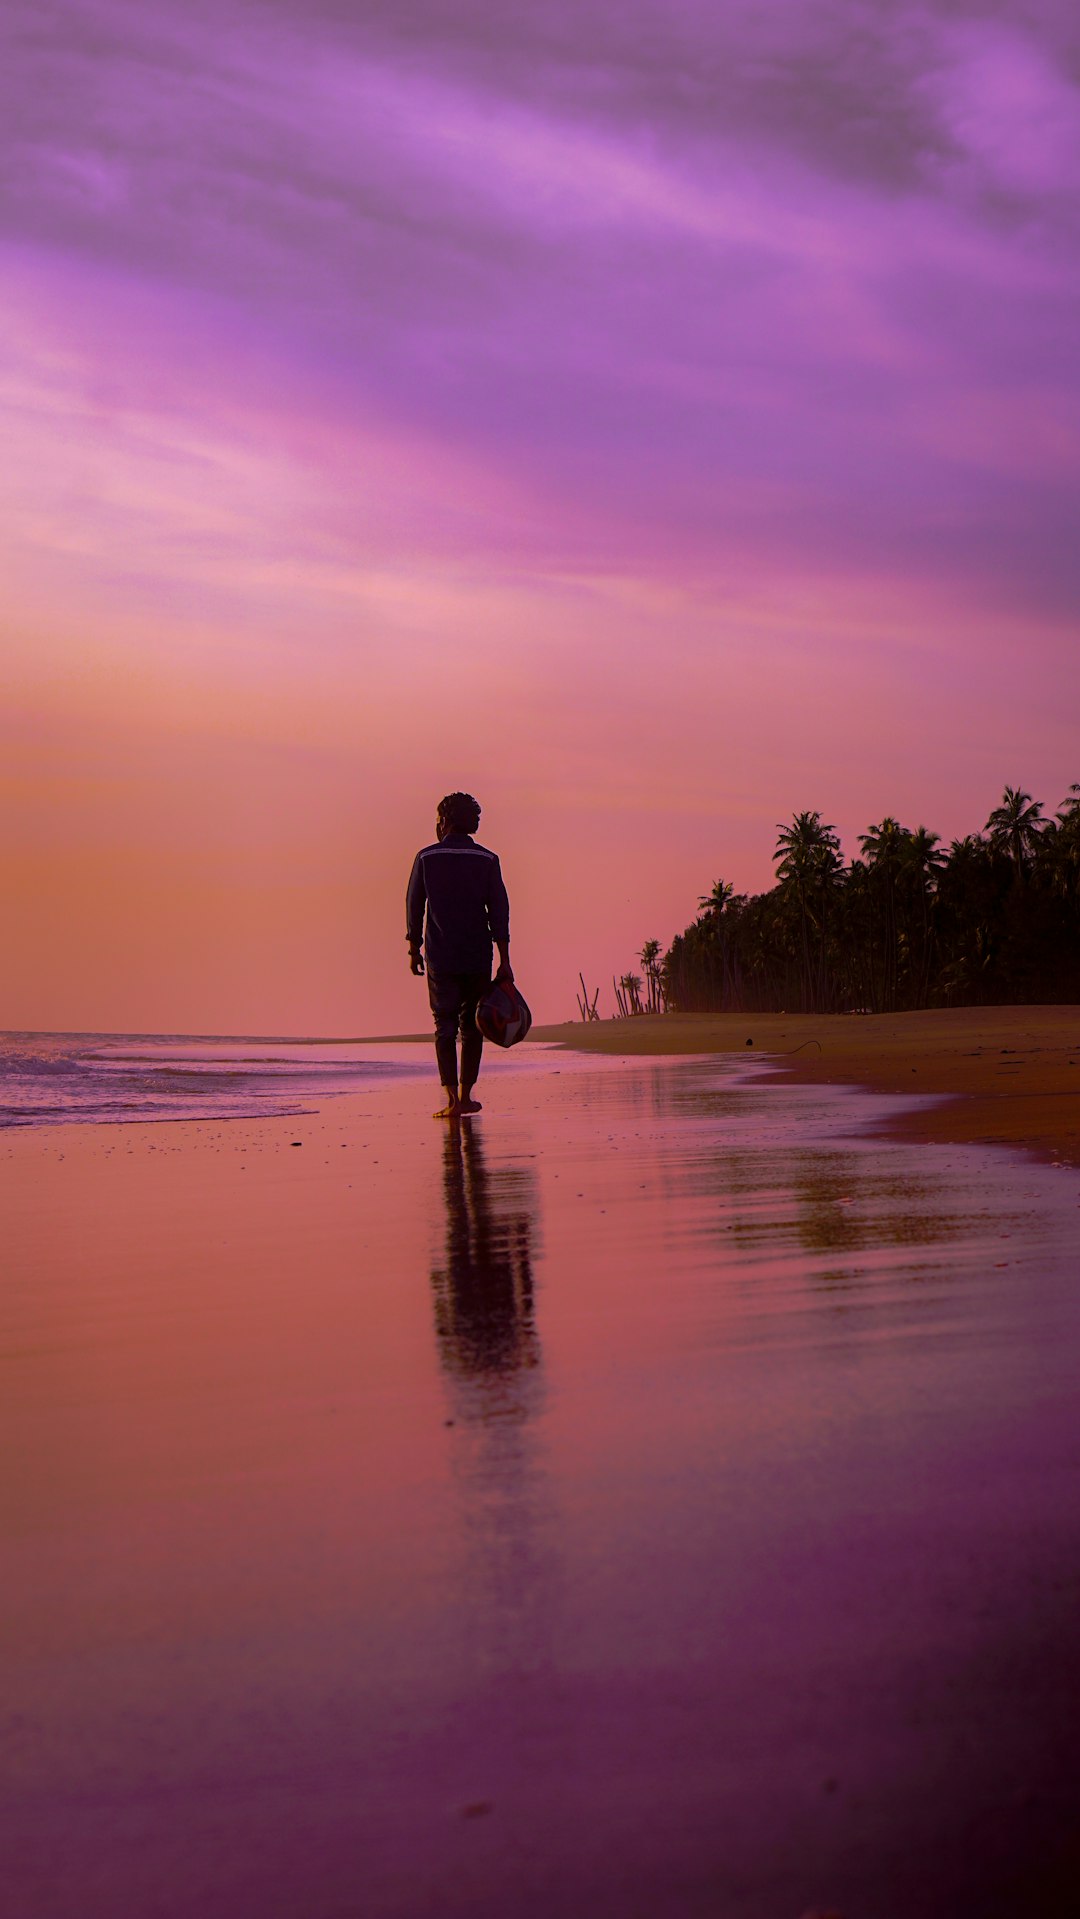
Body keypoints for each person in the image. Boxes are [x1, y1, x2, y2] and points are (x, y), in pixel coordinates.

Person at [406, 793, 512, 1119]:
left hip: (441, 957)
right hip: (477, 957)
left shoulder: (426, 857)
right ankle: (466, 1096)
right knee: (471, 1027)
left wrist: (414, 949)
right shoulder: (487, 859)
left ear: (445, 820)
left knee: (445, 1027)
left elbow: (414, 906)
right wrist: (504, 959)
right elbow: (499, 912)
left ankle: (452, 1100)